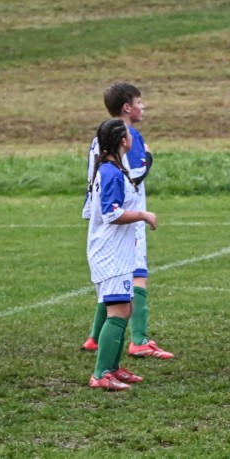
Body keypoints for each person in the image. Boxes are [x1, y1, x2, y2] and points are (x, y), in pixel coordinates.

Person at [81, 82, 173, 359]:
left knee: (114, 284)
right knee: (137, 275)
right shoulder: (127, 135)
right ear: (126, 107)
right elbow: (132, 176)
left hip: (101, 218)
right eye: (139, 102)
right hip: (125, 217)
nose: (143, 107)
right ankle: (140, 340)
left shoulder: (101, 135)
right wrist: (148, 157)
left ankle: (95, 337)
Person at [86, 118, 159, 390]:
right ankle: (101, 374)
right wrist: (142, 215)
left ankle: (113, 368)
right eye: (129, 135)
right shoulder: (112, 173)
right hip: (110, 254)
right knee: (117, 311)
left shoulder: (112, 169)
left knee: (124, 309)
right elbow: (111, 213)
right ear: (122, 141)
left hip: (117, 252)